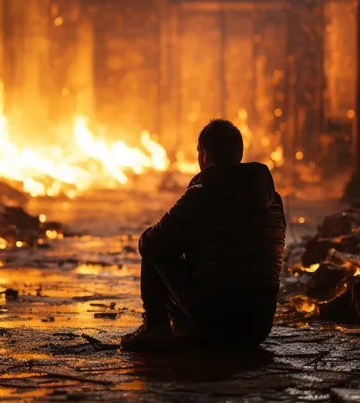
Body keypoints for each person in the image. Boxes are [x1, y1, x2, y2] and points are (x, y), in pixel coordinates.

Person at [121, 118, 286, 352]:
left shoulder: (202, 195)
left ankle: (156, 328)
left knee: (155, 247)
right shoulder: (274, 200)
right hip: (258, 326)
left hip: (217, 318)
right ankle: (189, 327)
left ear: (205, 155)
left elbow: (151, 245)